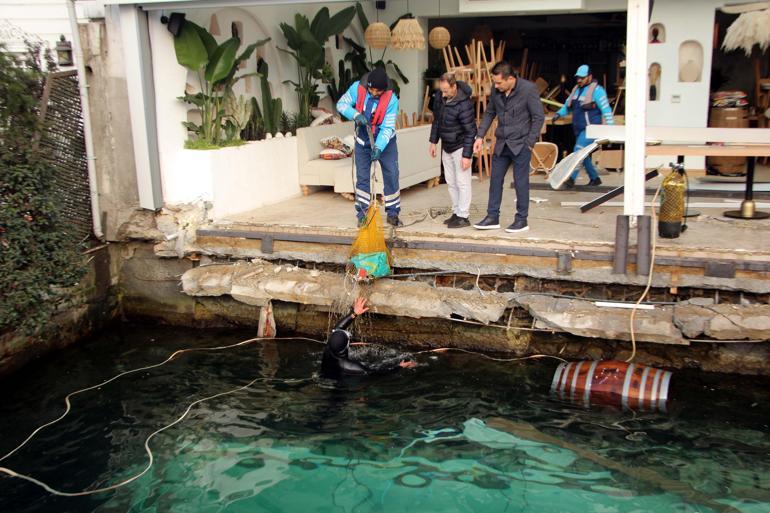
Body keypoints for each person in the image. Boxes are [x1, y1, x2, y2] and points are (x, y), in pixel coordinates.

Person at [472, 61, 544, 233]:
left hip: (521, 144)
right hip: (502, 143)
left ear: (510, 78)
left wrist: (530, 142)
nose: (495, 86)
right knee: (495, 180)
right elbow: (490, 113)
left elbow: (538, 117)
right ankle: (492, 217)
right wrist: (480, 136)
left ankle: (521, 220)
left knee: (520, 183)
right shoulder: (497, 90)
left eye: (498, 83)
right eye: (494, 83)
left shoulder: (528, 89)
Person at [337, 67, 402, 227]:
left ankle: (393, 212)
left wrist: (378, 147)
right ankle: (362, 214)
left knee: (391, 175)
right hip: (362, 141)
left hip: (386, 144)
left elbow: (387, 127)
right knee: (363, 178)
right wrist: (355, 115)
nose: (373, 93)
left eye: (377, 91)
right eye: (371, 90)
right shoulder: (356, 88)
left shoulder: (392, 100)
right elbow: (341, 104)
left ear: (384, 89)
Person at [321, 298, 416, 379]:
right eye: (348, 338)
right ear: (346, 346)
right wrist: (399, 367)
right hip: (338, 386)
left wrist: (354, 313)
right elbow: (375, 375)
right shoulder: (352, 367)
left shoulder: (331, 346)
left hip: (327, 371)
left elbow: (338, 329)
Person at [553, 65, 614, 188]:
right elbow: (567, 106)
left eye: (582, 77)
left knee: (578, 151)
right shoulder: (576, 90)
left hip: (591, 129)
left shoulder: (597, 91)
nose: (579, 80)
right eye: (578, 78)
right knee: (583, 155)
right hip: (579, 129)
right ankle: (594, 178)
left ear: (589, 77)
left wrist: (610, 129)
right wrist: (559, 114)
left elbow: (606, 110)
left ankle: (571, 179)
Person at [429, 72, 477, 229]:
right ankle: (456, 212)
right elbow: (437, 121)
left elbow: (471, 131)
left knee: (462, 182)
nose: (443, 94)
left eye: (446, 90)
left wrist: (467, 155)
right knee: (451, 181)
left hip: (460, 146)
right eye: (441, 90)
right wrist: (433, 142)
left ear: (454, 86)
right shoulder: (440, 98)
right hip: (446, 146)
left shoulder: (464, 103)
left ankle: (464, 215)